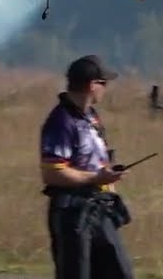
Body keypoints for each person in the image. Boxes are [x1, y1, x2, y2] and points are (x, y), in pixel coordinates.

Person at [38, 54, 136, 279]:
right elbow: (52, 173)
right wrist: (96, 178)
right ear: (93, 85)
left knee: (120, 273)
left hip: (100, 211)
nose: (106, 88)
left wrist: (109, 178)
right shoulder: (61, 122)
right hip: (73, 215)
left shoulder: (91, 117)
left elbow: (95, 160)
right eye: (104, 83)